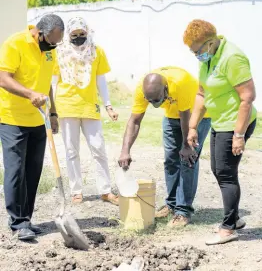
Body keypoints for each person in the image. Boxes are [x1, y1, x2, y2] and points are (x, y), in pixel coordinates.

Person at [183, 19, 257, 245]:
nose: (196, 55)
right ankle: (233, 218)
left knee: (225, 173)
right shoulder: (208, 59)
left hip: (235, 124)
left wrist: (238, 135)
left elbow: (247, 97)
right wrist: (192, 126)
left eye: (196, 51)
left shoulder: (232, 58)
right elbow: (201, 94)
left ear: (210, 43)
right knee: (218, 169)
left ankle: (228, 228)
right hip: (219, 122)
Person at [118, 66, 211, 227]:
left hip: (197, 117)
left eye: (157, 99)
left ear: (166, 88)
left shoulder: (180, 83)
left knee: (187, 160)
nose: (154, 104)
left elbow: (185, 117)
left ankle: (183, 211)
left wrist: (186, 146)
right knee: (170, 160)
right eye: (150, 100)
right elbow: (134, 121)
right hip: (171, 115)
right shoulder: (142, 89)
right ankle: (172, 204)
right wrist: (125, 151)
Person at [0, 14, 64, 241]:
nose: (54, 46)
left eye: (57, 42)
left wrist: (53, 112)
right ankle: (17, 224)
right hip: (12, 118)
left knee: (33, 171)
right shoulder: (14, 43)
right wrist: (29, 94)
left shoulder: (49, 50)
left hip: (39, 119)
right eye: (51, 41)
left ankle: (26, 218)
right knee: (16, 170)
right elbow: (3, 78)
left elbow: (47, 85)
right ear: (39, 32)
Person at [54, 17, 119, 205]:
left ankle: (105, 190)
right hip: (66, 105)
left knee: (98, 148)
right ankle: (76, 191)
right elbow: (53, 81)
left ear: (87, 33)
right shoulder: (59, 52)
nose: (79, 37)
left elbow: (101, 81)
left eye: (82, 34)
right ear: (68, 35)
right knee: (71, 150)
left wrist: (108, 105)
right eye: (74, 35)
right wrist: (52, 110)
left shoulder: (97, 51)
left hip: (90, 106)